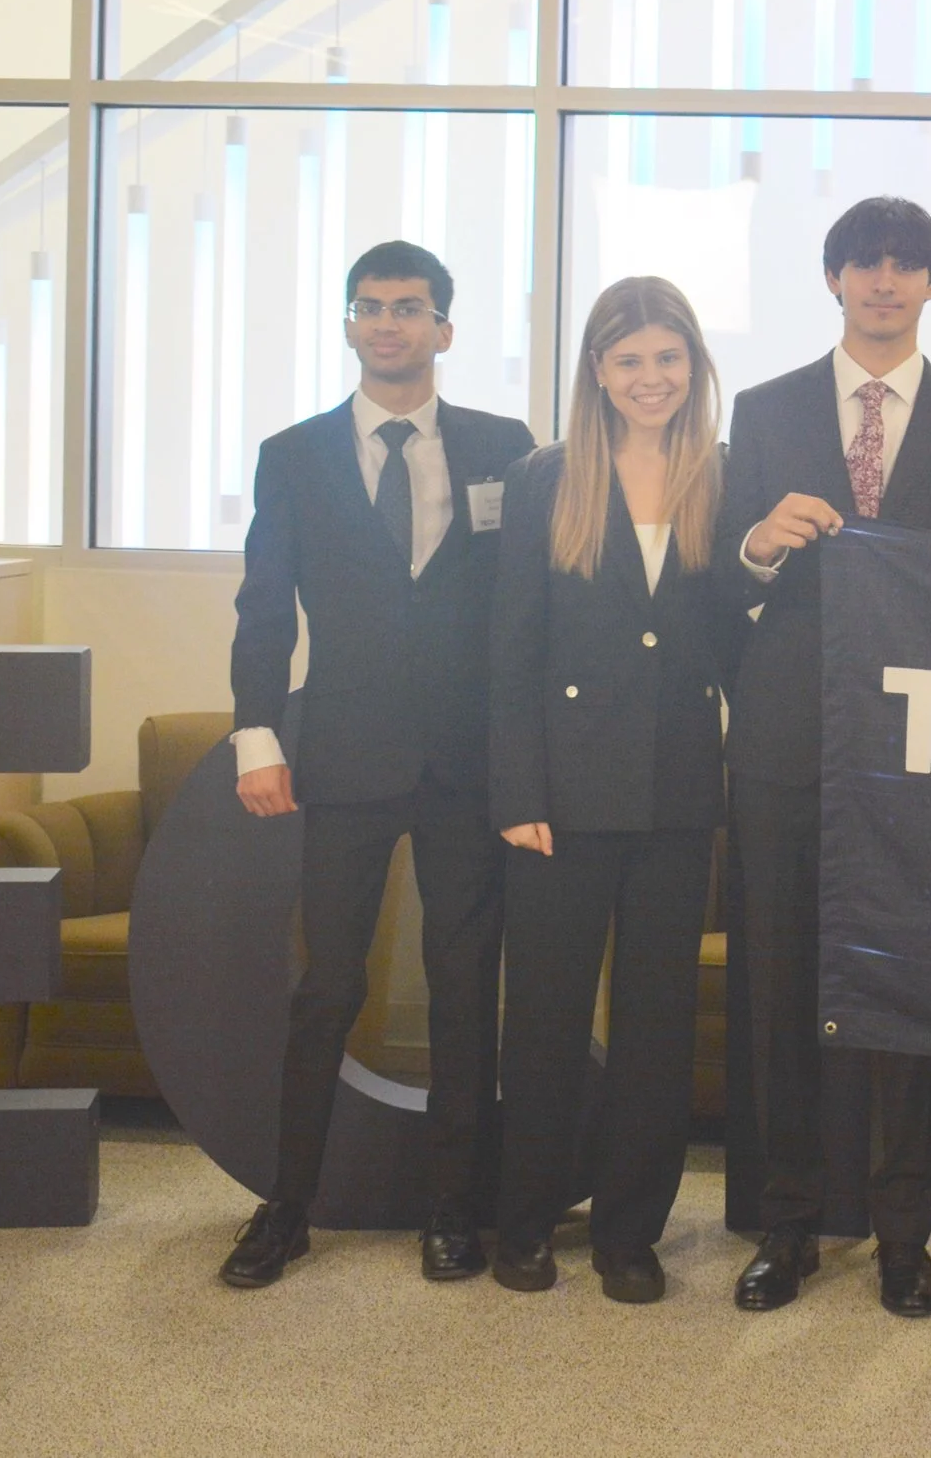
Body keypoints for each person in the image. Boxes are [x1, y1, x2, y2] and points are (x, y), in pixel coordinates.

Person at [221, 241, 535, 1287]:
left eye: (409, 307)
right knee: (328, 988)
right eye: (369, 307)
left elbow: (524, 610)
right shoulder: (293, 454)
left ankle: (453, 1209)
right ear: (349, 326)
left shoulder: (505, 447)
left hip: (467, 765)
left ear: (445, 328)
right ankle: (286, 1206)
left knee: (463, 989)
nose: (388, 323)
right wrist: (257, 736)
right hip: (344, 759)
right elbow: (264, 609)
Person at [723, 197, 931, 1319]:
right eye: (864, 263)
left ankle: (905, 1232)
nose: (884, 281)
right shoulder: (763, 410)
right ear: (833, 278)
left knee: (910, 992)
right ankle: (788, 1221)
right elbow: (714, 588)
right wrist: (756, 546)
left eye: (905, 265)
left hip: (922, 755)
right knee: (778, 984)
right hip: (785, 739)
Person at [485, 277, 737, 1304]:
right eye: (629, 360)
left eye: (668, 357)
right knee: (544, 1022)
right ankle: (525, 1221)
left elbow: (732, 630)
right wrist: (516, 792)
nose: (650, 378)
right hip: (560, 796)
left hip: (677, 792)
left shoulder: (723, 473)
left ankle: (631, 1234)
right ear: (597, 370)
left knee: (655, 1029)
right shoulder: (544, 479)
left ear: (694, 365)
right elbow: (511, 647)